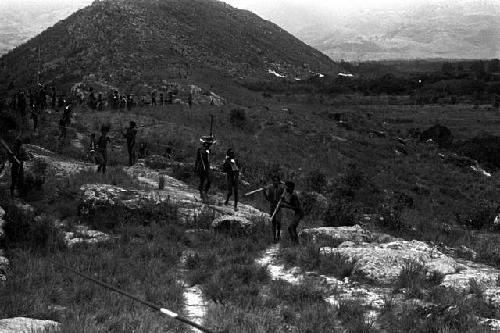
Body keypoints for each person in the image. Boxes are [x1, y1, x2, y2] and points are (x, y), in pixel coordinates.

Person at [279, 181, 304, 246]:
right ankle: (296, 244)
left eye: (287, 188)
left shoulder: (294, 195)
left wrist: (284, 205)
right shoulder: (292, 194)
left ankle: (294, 244)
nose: (286, 189)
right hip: (298, 213)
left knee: (291, 228)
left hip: (299, 213)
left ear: (291, 188)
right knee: (293, 228)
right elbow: (291, 204)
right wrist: (284, 201)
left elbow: (296, 207)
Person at [264, 175, 285, 243]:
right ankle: (274, 237)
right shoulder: (270, 188)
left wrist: (282, 197)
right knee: (273, 222)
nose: (275, 182)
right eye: (274, 181)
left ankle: (278, 233)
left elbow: (283, 196)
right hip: (272, 207)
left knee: (278, 221)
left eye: (276, 181)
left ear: (278, 182)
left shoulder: (281, 188)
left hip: (278, 207)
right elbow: (268, 199)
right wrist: (264, 193)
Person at [194, 137, 215, 202]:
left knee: (209, 180)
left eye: (209, 144)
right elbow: (197, 159)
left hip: (207, 167)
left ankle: (205, 192)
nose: (208, 145)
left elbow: (210, 158)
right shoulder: (200, 149)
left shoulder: (209, 150)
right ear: (204, 144)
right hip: (201, 166)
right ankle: (201, 192)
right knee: (202, 180)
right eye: (207, 144)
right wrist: (195, 167)